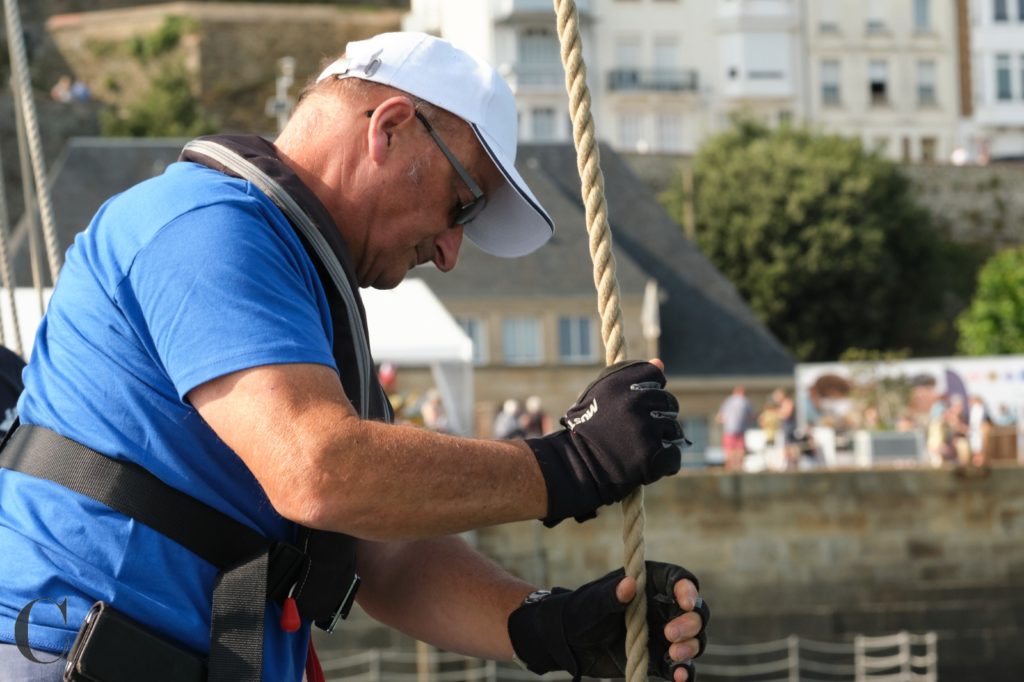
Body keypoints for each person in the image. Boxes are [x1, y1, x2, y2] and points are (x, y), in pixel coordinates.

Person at [0, 32, 707, 682]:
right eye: (461, 206)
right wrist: (571, 463)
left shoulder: (302, 287)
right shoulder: (205, 226)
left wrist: (549, 626)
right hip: (70, 657)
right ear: (389, 128)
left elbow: (385, 551)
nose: (450, 252)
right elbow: (319, 471)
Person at [717, 386, 753, 471]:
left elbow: (720, 417)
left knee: (729, 450)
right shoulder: (745, 401)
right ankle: (739, 468)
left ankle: (729, 469)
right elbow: (750, 415)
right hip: (740, 431)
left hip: (728, 431)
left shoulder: (728, 401)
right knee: (740, 450)